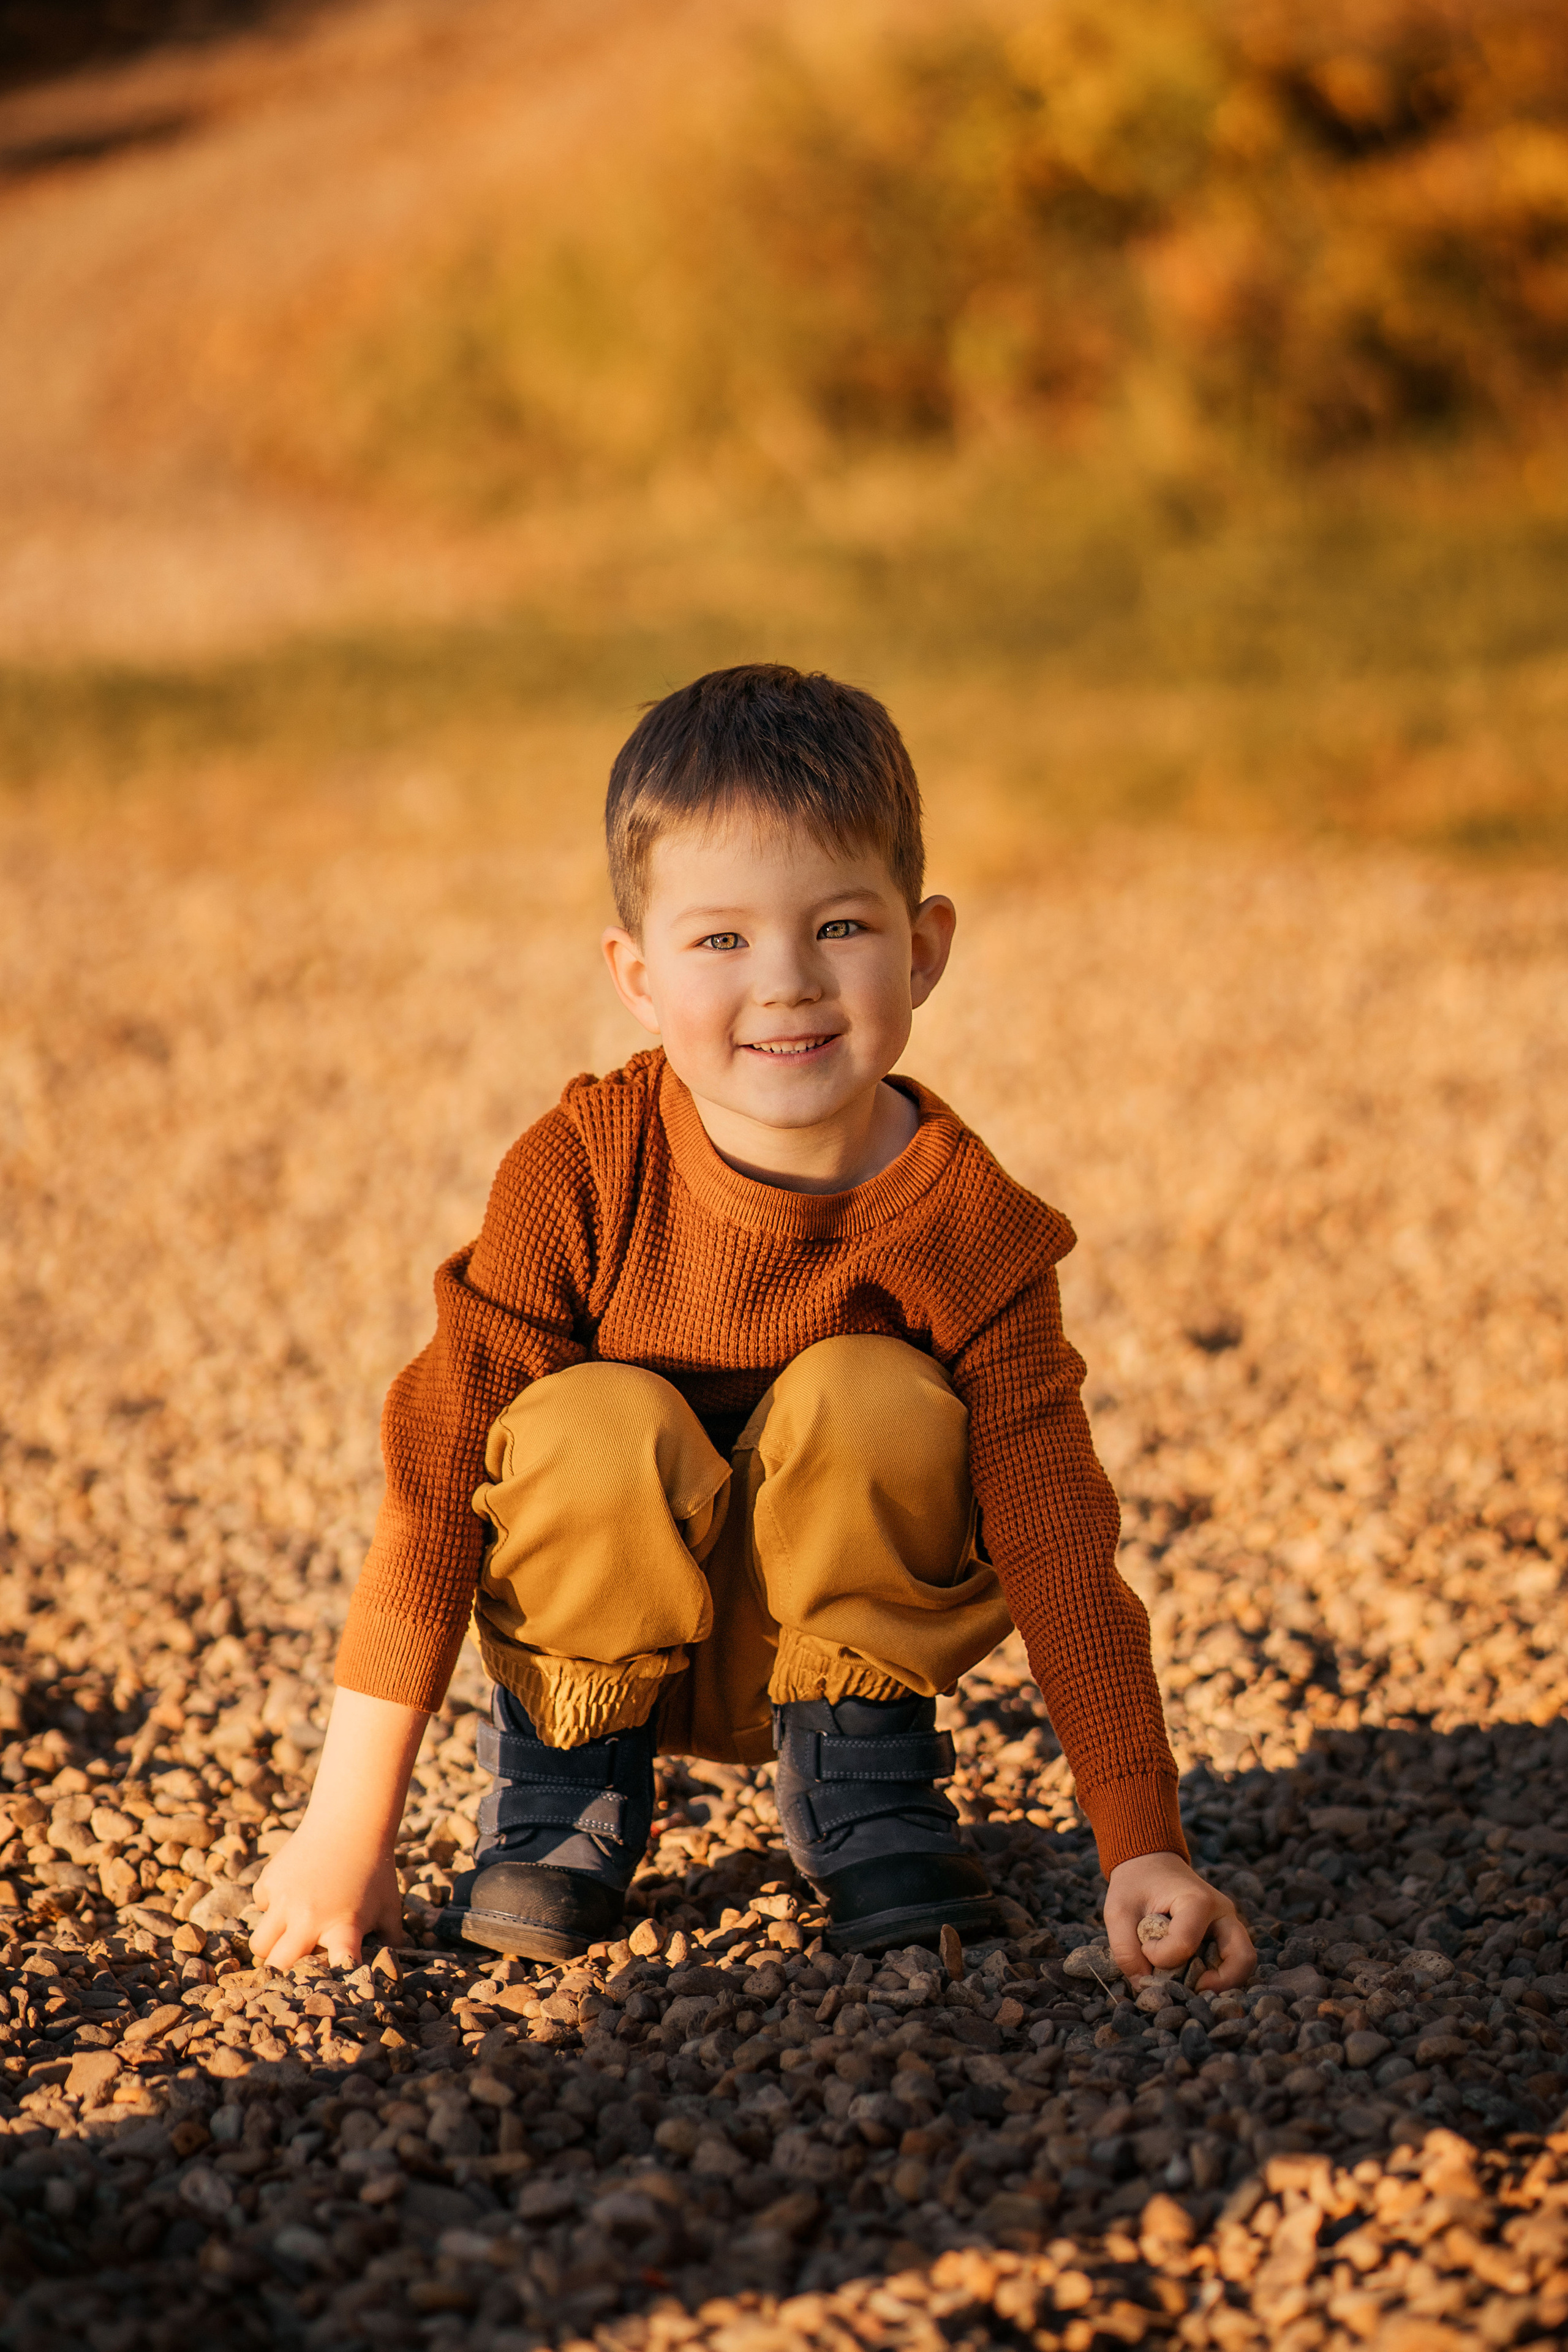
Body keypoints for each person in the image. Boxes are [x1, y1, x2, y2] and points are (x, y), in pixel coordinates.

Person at [254, 664, 1253, 1989]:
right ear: (636, 974)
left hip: (842, 1649)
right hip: (600, 1653)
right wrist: (345, 1828)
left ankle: (862, 1791)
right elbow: (434, 1478)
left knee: (873, 1393)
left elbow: (1058, 1535)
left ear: (925, 945)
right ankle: (561, 1802)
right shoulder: (578, 1172)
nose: (784, 984)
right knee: (586, 1418)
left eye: (838, 926)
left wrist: (1144, 1849)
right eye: (719, 940)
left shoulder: (972, 1229)